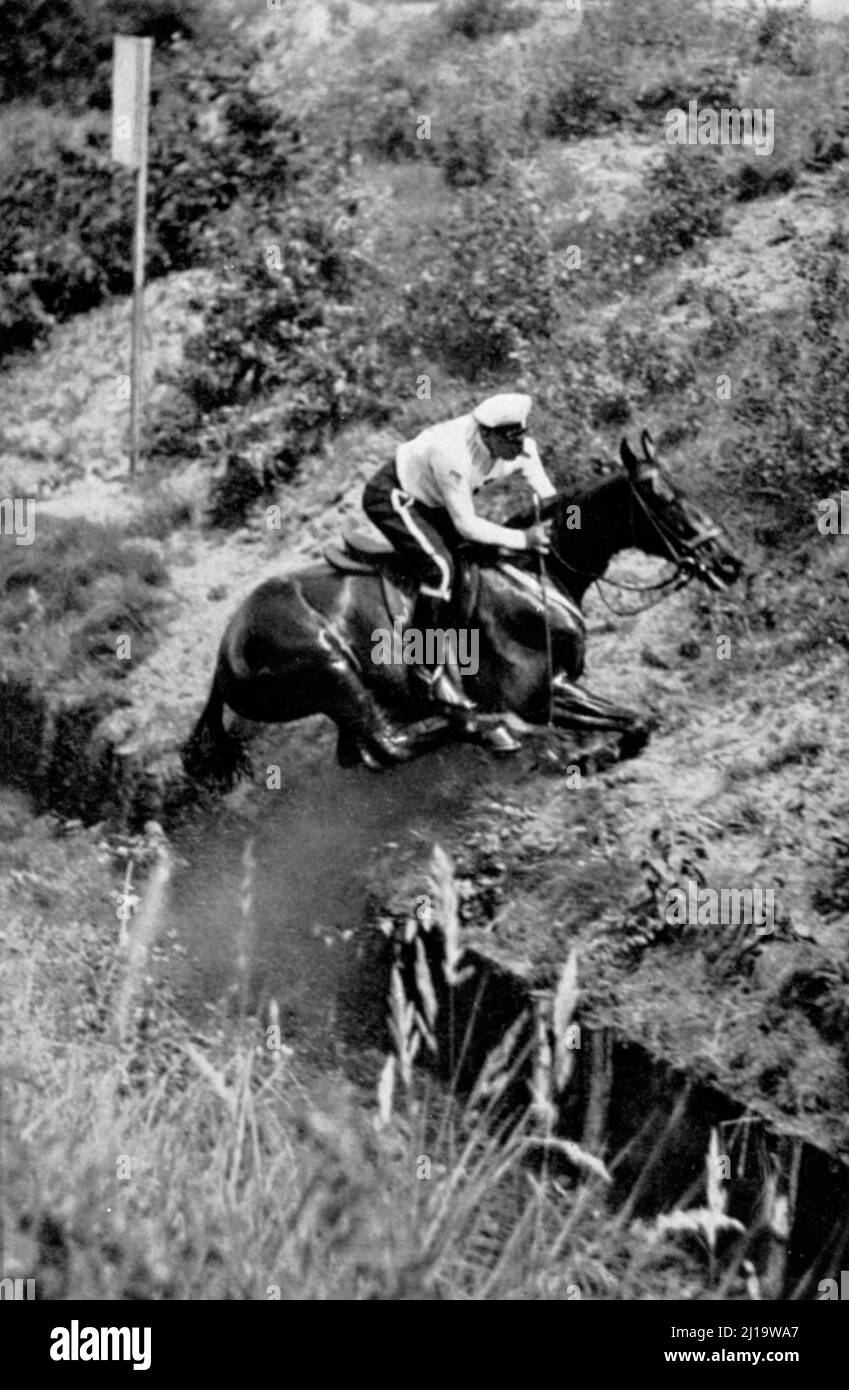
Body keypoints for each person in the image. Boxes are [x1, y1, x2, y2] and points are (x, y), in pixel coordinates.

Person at [362, 392, 556, 709]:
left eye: (520, 439)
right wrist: (524, 539)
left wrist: (570, 526)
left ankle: (469, 658)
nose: (517, 451)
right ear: (486, 434)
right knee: (441, 571)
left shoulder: (522, 448)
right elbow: (467, 525)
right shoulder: (452, 453)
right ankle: (422, 668)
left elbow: (551, 499)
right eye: (509, 443)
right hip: (395, 497)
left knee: (477, 564)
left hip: (435, 500)